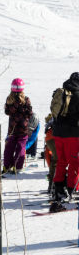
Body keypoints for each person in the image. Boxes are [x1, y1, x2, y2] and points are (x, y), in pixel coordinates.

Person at [49, 71, 79, 204]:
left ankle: (58, 190)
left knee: (61, 161)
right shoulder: (78, 95)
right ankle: (73, 190)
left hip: (57, 133)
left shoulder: (61, 92)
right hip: (72, 135)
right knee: (74, 162)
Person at [3, 78, 33, 174]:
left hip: (12, 128)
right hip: (23, 129)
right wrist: (24, 115)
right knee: (20, 148)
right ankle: (17, 167)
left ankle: (6, 166)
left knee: (9, 148)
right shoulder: (26, 100)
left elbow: (7, 111)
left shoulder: (9, 99)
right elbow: (30, 113)